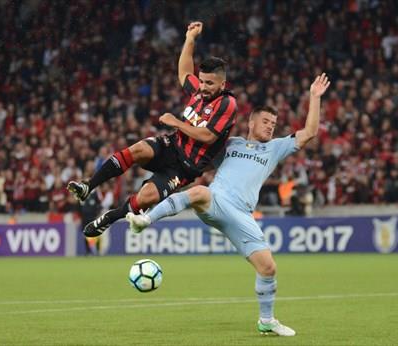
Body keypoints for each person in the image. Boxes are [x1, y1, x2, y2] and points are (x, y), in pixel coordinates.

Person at [126, 74, 330, 337]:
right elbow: (193, 161)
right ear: (251, 122)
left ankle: (266, 321)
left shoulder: (276, 148)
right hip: (216, 200)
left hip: (242, 214)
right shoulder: (229, 145)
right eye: (266, 121)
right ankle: (145, 220)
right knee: (200, 191)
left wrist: (314, 97)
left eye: (274, 123)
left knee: (268, 267)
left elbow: (310, 132)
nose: (270, 127)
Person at [67, 21, 238, 237]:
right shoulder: (199, 92)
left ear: (222, 85)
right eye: (202, 82)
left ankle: (110, 217)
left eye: (209, 84)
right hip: (172, 146)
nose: (203, 87)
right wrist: (189, 39)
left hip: (185, 168)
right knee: (139, 149)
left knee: (146, 197)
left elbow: (208, 136)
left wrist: (176, 122)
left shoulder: (227, 104)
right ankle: (88, 187)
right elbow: (184, 72)